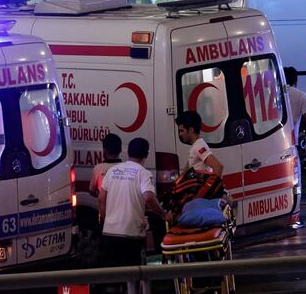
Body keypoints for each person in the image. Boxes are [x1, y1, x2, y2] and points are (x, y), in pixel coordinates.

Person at [99, 138, 173, 292]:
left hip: (110, 232)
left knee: (112, 278)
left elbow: (101, 197)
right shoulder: (143, 174)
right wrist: (163, 214)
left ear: (127, 152)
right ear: (145, 155)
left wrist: (107, 219)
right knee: (134, 276)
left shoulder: (113, 171)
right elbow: (148, 197)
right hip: (131, 234)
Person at [176, 111, 224, 176]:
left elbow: (218, 167)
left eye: (182, 131)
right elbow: (186, 169)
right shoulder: (195, 147)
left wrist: (211, 186)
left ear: (191, 130)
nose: (180, 134)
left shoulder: (199, 146)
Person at [284, 66, 306, 147]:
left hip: (274, 141)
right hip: (291, 142)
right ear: (295, 80)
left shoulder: (273, 95)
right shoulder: (302, 96)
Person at [89, 133, 123, 198]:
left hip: (104, 207)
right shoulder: (126, 168)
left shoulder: (98, 168)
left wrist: (101, 196)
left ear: (104, 150)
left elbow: (91, 190)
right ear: (120, 150)